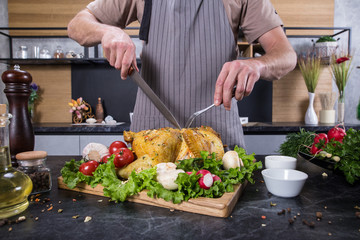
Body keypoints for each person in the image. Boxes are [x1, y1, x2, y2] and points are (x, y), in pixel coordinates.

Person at [68, 0, 297, 150]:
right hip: (151, 139)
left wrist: (257, 65)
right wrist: (107, 31)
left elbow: (286, 55)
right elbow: (77, 25)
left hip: (218, 141)